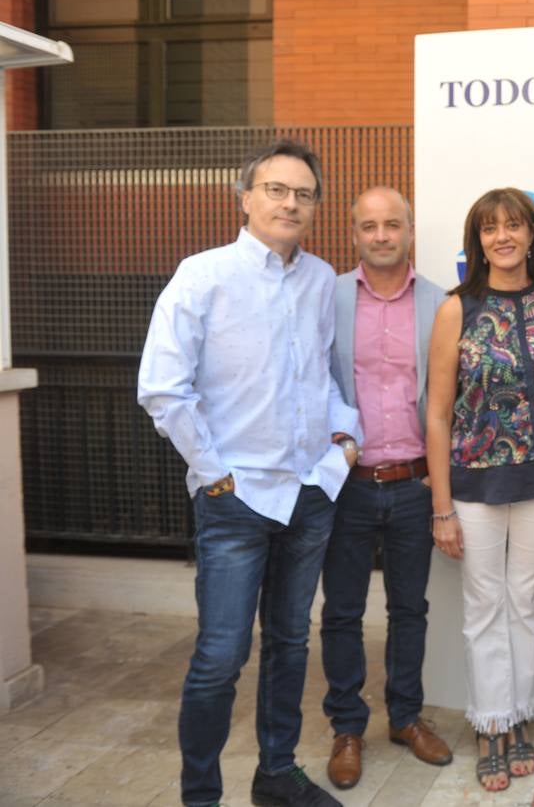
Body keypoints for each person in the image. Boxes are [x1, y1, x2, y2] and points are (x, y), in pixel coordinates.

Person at [138, 139, 357, 807]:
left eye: (304, 194)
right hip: (234, 500)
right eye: (276, 189)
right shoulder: (203, 275)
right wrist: (212, 471)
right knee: (221, 657)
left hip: (308, 495)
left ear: (315, 206)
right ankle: (201, 794)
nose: (290, 203)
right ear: (245, 197)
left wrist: (343, 447)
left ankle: (276, 774)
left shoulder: (321, 280)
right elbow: (163, 388)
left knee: (291, 643)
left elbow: (326, 377)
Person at [425, 187, 534, 793]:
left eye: (515, 226)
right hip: (473, 481)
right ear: (477, 240)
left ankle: (516, 716)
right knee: (485, 604)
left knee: (527, 599)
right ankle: (490, 724)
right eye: (491, 229)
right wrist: (441, 508)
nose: (504, 237)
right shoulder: (455, 309)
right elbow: (437, 413)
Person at [320, 187, 451, 791]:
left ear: (410, 231)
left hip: (412, 484)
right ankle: (347, 726)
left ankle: (404, 717)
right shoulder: (328, 298)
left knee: (410, 610)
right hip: (344, 484)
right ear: (353, 234)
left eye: (391, 225)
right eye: (368, 226)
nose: (380, 236)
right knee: (343, 611)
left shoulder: (439, 303)